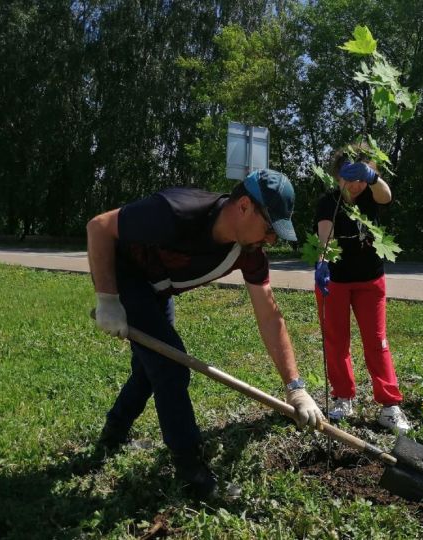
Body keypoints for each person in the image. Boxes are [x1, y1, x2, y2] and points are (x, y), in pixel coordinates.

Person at [87, 169, 324, 498]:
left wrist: (294, 387)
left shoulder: (248, 252)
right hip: (127, 279)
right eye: (270, 228)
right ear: (244, 206)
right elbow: (99, 227)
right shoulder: (175, 211)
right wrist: (108, 299)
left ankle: (112, 436)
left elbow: (270, 316)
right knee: (170, 367)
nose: (271, 239)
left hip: (158, 289)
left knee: (150, 367)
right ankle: (192, 473)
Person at [313, 145, 410, 433]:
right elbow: (325, 238)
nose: (355, 185)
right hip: (336, 282)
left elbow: (387, 196)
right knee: (336, 341)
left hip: (370, 280)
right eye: (348, 178)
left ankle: (389, 405)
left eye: (360, 178)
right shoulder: (327, 202)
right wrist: (322, 263)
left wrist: (373, 178)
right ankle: (343, 397)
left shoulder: (370, 195)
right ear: (337, 176)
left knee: (377, 341)